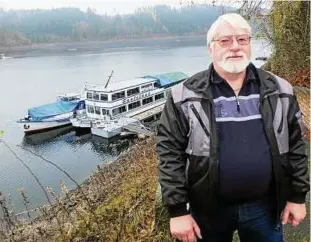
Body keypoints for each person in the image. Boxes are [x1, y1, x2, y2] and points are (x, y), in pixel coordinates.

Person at [156, 13, 309, 242]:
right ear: (211, 48)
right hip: (207, 210)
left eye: (242, 39)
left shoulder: (280, 90)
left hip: (264, 208)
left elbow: (297, 144)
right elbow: (169, 153)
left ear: (250, 45)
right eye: (225, 40)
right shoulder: (185, 95)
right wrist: (177, 210)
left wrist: (297, 196)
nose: (235, 47)